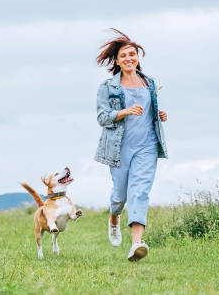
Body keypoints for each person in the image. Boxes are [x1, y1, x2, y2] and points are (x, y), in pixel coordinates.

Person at [94, 28, 168, 262]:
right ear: (117, 60)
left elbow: (150, 112)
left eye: (132, 54)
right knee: (119, 196)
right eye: (124, 55)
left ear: (138, 57)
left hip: (147, 146)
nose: (129, 58)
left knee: (140, 192)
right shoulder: (108, 87)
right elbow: (102, 117)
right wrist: (124, 112)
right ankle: (114, 218)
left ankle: (137, 244)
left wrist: (160, 114)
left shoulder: (149, 83)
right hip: (119, 148)